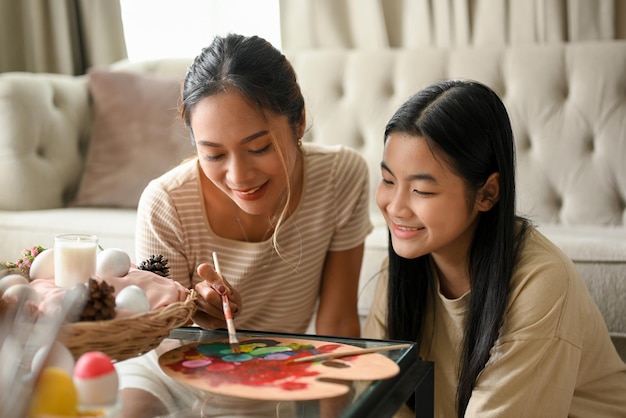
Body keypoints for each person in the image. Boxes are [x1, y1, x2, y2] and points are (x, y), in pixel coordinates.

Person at [116, 33, 372, 417]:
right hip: (171, 378)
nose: (239, 176)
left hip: (275, 384)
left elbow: (337, 324)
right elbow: (160, 339)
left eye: (259, 148)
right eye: (214, 154)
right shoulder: (166, 202)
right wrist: (193, 312)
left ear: (299, 121)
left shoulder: (340, 177)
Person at [364, 79, 626, 417]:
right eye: (388, 181)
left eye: (422, 191)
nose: (395, 207)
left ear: (487, 193)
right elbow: (379, 399)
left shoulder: (541, 284)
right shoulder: (403, 269)